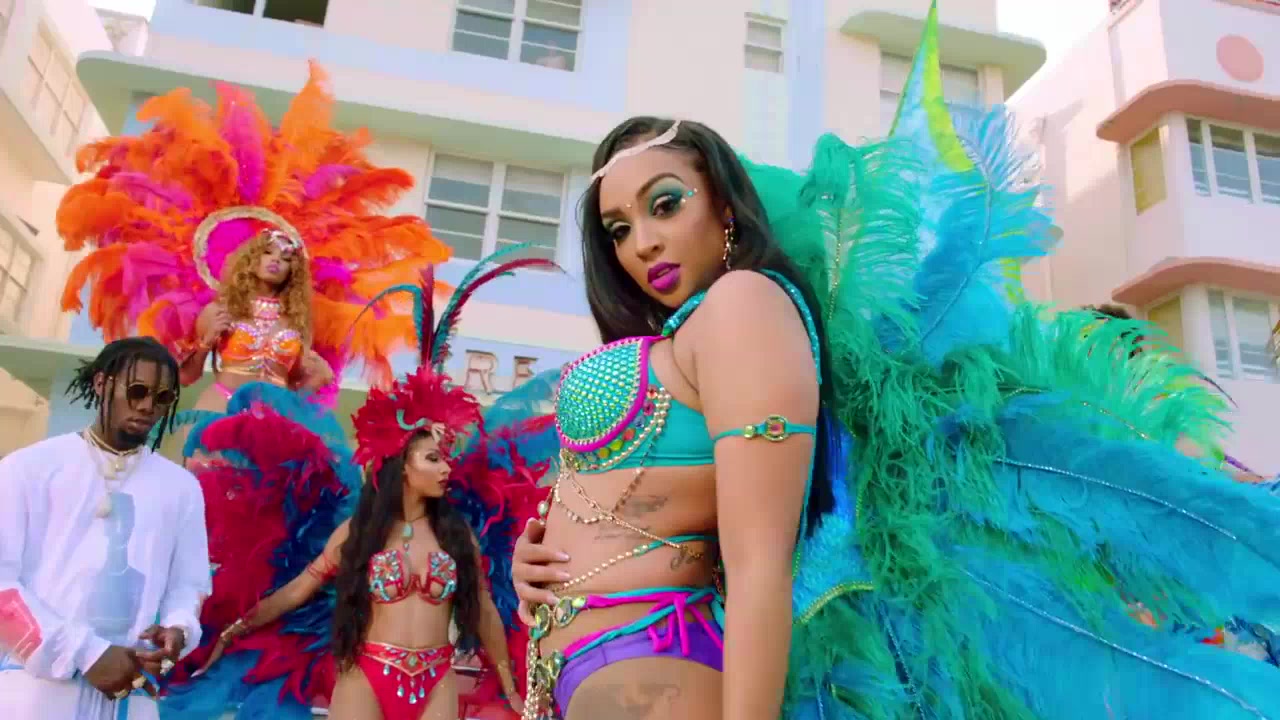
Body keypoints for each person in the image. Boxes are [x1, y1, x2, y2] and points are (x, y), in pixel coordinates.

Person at [499, 6, 1280, 719]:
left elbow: (761, 560)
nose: (642, 242)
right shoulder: (694, 332)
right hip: (593, 659)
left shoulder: (744, 305)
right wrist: (539, 558)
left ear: (725, 207)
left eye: (665, 204)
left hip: (651, 660)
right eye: (617, 228)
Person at [54, 62, 453, 718]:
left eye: (288, 257)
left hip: (282, 429)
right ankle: (188, 629)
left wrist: (317, 378)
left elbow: (314, 388)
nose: (279, 261)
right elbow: (182, 380)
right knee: (213, 529)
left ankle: (257, 632)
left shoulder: (297, 326)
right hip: (222, 419)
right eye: (269, 253)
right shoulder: (220, 312)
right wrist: (193, 349)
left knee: (276, 533)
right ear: (246, 260)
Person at [188, 251, 554, 720]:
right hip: (366, 675)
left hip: (436, 679)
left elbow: (483, 611)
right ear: (402, 466)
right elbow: (297, 592)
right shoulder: (359, 533)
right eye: (433, 459)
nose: (446, 469)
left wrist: (508, 682)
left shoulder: (456, 534)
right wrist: (232, 630)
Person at [0, 337, 211, 719]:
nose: (147, 406)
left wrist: (178, 629)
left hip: (133, 694)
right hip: (37, 694)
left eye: (162, 397)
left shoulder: (181, 488)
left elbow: (189, 584)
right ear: (101, 384)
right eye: (137, 390)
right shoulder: (28, 469)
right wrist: (86, 653)